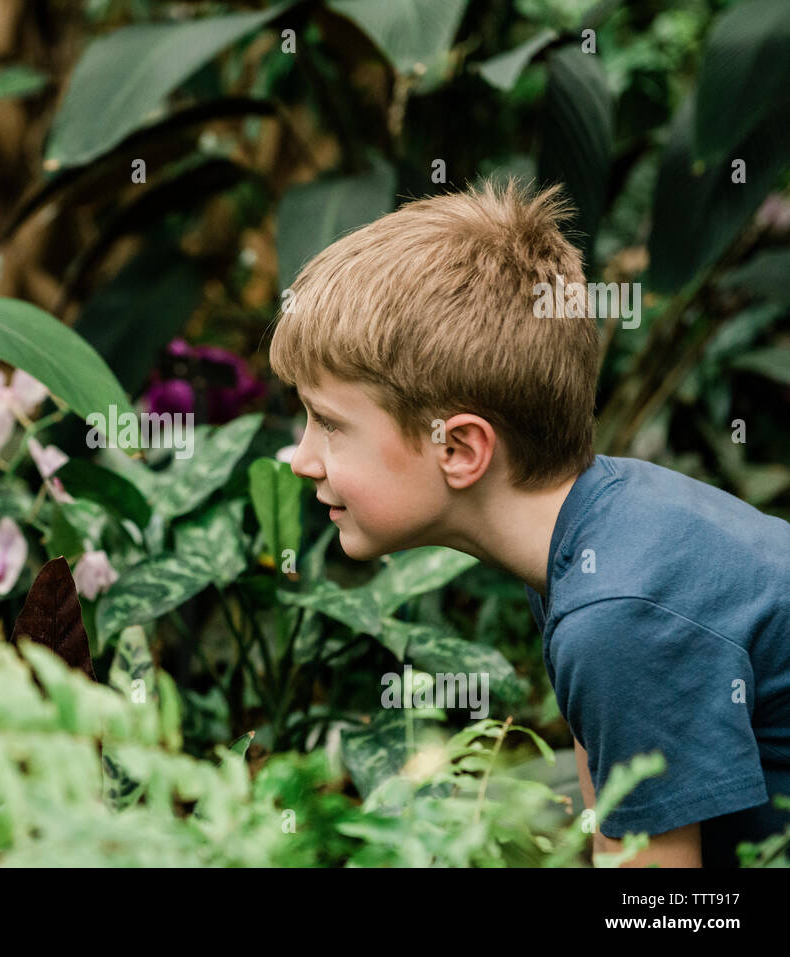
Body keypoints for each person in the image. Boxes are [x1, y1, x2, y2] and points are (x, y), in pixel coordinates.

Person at [268, 179, 790, 868]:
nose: (302, 459)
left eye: (330, 424)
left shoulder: (618, 614)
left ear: (457, 448)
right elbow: (613, 839)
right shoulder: (595, 540)